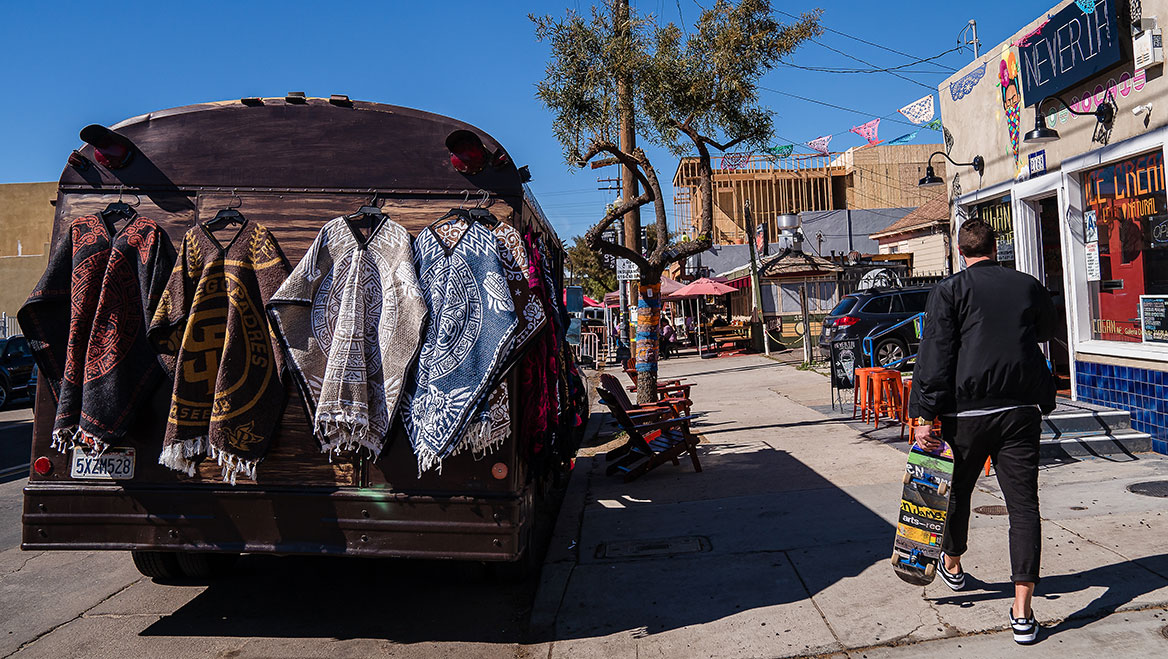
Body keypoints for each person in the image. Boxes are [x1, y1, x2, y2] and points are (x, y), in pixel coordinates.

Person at [908, 219, 1055, 646]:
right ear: (998, 248)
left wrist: (923, 417)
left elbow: (934, 355)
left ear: (960, 251)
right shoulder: (1028, 285)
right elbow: (1045, 332)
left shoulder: (950, 291)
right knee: (1024, 507)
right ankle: (1022, 613)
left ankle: (951, 565)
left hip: (966, 414)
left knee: (957, 492)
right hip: (1019, 411)